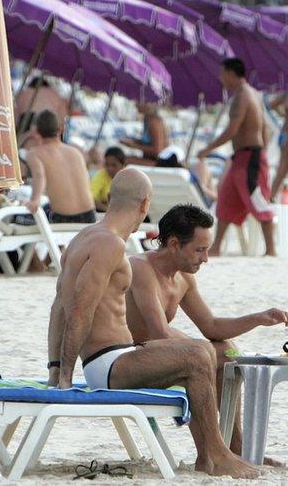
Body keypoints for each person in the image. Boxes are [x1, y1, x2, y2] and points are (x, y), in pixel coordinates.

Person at [46, 169, 259, 478]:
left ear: (110, 198)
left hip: (108, 359)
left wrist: (56, 368)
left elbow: (57, 309)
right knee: (197, 355)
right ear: (145, 204)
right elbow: (79, 310)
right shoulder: (111, 245)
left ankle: (218, 453)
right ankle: (214, 455)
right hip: (109, 363)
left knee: (203, 353)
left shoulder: (83, 238)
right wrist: (65, 377)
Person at [125, 203, 288, 466]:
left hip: (159, 355)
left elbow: (210, 325)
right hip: (131, 361)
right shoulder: (140, 268)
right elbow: (158, 332)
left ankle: (237, 446)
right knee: (205, 354)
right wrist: (200, 349)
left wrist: (258, 318)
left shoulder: (183, 279)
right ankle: (213, 453)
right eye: (199, 250)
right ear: (175, 244)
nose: (205, 258)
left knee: (226, 350)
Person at [198, 58, 276, 257]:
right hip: (243, 157)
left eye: (222, 74)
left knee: (257, 199)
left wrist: (207, 149)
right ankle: (215, 248)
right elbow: (265, 127)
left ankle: (271, 250)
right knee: (226, 199)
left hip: (250, 156)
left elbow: (232, 130)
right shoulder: (249, 94)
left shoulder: (243, 96)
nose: (220, 78)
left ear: (232, 74)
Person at [25, 110, 95, 223]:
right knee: (47, 207)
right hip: (89, 215)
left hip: (65, 218)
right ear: (61, 129)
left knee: (20, 219)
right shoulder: (75, 152)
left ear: (36, 132)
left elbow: (39, 176)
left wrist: (35, 200)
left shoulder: (34, 154)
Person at [90, 147, 126, 212]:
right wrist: (108, 210)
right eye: (107, 164)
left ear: (123, 165)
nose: (109, 168)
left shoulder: (129, 177)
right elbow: (90, 198)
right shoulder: (100, 176)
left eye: (114, 165)